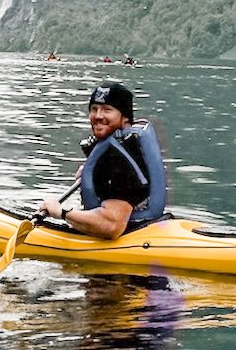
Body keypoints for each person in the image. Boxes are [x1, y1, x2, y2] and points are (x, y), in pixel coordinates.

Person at [38, 82, 168, 240]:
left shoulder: (115, 159)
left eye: (107, 109)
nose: (98, 116)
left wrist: (62, 213)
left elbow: (112, 226)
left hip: (130, 235)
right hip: (147, 226)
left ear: (125, 116)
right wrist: (91, 173)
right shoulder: (128, 145)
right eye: (94, 109)